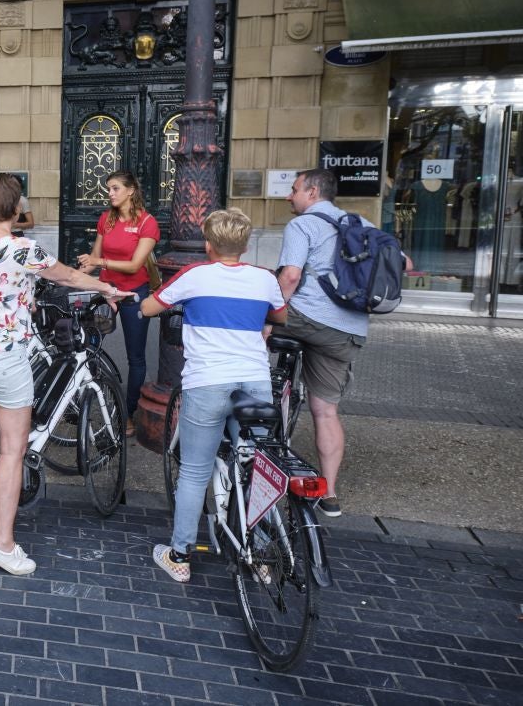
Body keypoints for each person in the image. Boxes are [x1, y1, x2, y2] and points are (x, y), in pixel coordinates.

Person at [0, 174, 130, 576]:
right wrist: (106, 289)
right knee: (14, 449)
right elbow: (67, 276)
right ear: (17, 210)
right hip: (2, 356)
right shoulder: (23, 249)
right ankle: (3, 542)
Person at [139, 208, 286, 582]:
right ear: (246, 243)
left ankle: (180, 555)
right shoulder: (264, 279)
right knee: (255, 468)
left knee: (194, 471)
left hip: (207, 382)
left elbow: (149, 306)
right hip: (253, 383)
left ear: (207, 244)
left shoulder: (194, 275)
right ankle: (260, 552)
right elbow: (281, 317)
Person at [276, 168, 394, 518]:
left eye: (294, 190)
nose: (289, 196)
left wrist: (269, 316)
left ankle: (260, 433)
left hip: (307, 320)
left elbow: (290, 276)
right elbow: (402, 262)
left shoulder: (302, 225)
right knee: (326, 411)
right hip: (348, 330)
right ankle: (328, 493)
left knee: (255, 324)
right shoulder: (362, 224)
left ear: (312, 193)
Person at [77, 170, 159, 423]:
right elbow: (92, 261)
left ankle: (129, 414)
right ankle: (95, 398)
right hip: (107, 293)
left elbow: (135, 265)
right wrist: (67, 275)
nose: (110, 193)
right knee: (88, 346)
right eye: (109, 189)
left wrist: (99, 261)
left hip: (134, 293)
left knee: (135, 356)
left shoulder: (147, 222)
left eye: (115, 188)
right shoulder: (107, 219)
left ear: (130, 191)